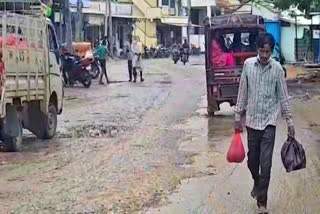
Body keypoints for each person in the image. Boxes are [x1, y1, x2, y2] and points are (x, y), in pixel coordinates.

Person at [234, 33, 295, 214]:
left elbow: (283, 97)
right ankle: (257, 183)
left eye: (268, 52)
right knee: (253, 161)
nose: (265, 55)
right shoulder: (248, 66)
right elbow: (243, 91)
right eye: (262, 51)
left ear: (272, 51)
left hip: (269, 122)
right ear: (257, 50)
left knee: (266, 164)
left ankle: (262, 203)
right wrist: (237, 116)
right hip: (252, 121)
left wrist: (290, 122)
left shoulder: (277, 69)